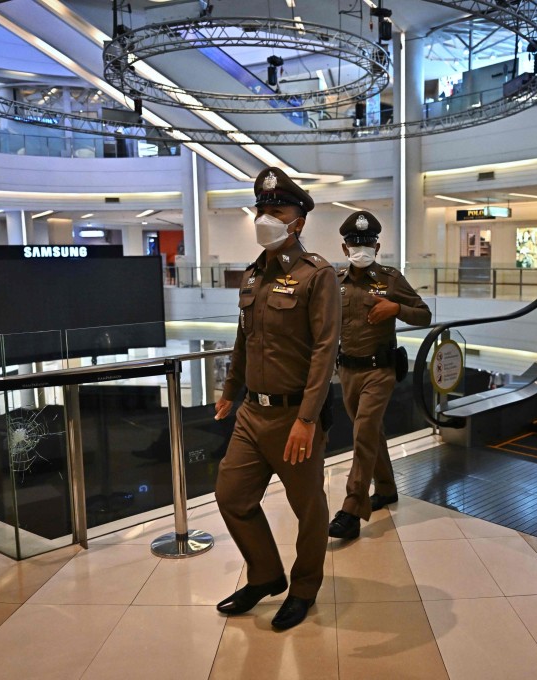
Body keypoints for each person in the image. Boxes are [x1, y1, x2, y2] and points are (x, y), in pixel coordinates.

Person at [213, 166, 340, 631]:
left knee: (309, 510)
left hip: (295, 417)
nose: (266, 217)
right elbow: (243, 339)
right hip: (252, 413)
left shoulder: (317, 274)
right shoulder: (252, 276)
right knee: (231, 495)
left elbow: (326, 350)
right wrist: (230, 390)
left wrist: (308, 419)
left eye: (277, 210)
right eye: (261, 209)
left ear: (298, 221)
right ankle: (265, 575)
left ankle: (304, 589)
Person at [328, 211, 432, 540]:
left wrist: (396, 309)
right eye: (355, 243)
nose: (362, 248)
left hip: (379, 370)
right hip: (347, 371)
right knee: (371, 434)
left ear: (377, 245)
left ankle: (351, 508)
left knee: (363, 435)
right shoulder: (335, 283)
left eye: (368, 242)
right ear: (345, 249)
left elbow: (424, 314)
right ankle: (386, 489)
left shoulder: (390, 279)